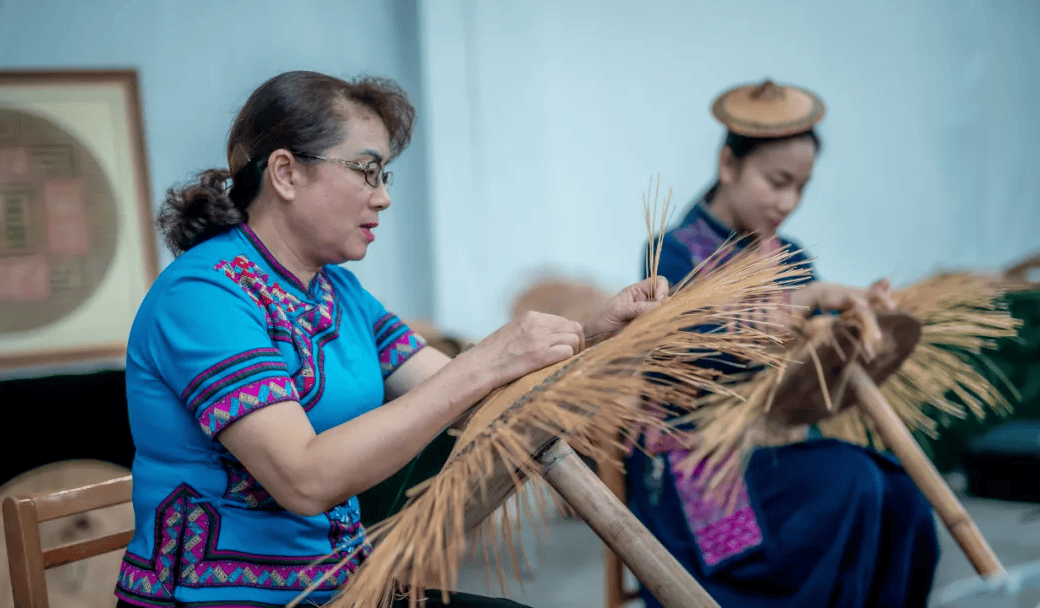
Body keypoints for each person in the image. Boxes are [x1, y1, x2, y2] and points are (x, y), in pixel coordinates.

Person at [114, 70, 666, 608]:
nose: (382, 198)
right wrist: (484, 362)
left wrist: (593, 337)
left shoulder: (338, 292)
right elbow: (303, 479)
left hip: (340, 587)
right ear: (285, 173)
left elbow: (466, 394)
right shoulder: (204, 295)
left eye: (384, 176)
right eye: (366, 171)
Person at [626, 80, 941, 607]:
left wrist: (855, 331)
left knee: (903, 495)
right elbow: (688, 349)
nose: (789, 202)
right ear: (729, 165)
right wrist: (807, 300)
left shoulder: (788, 256)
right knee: (853, 481)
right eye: (777, 182)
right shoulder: (672, 253)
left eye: (801, 186)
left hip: (778, 454)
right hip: (700, 473)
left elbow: (807, 369)